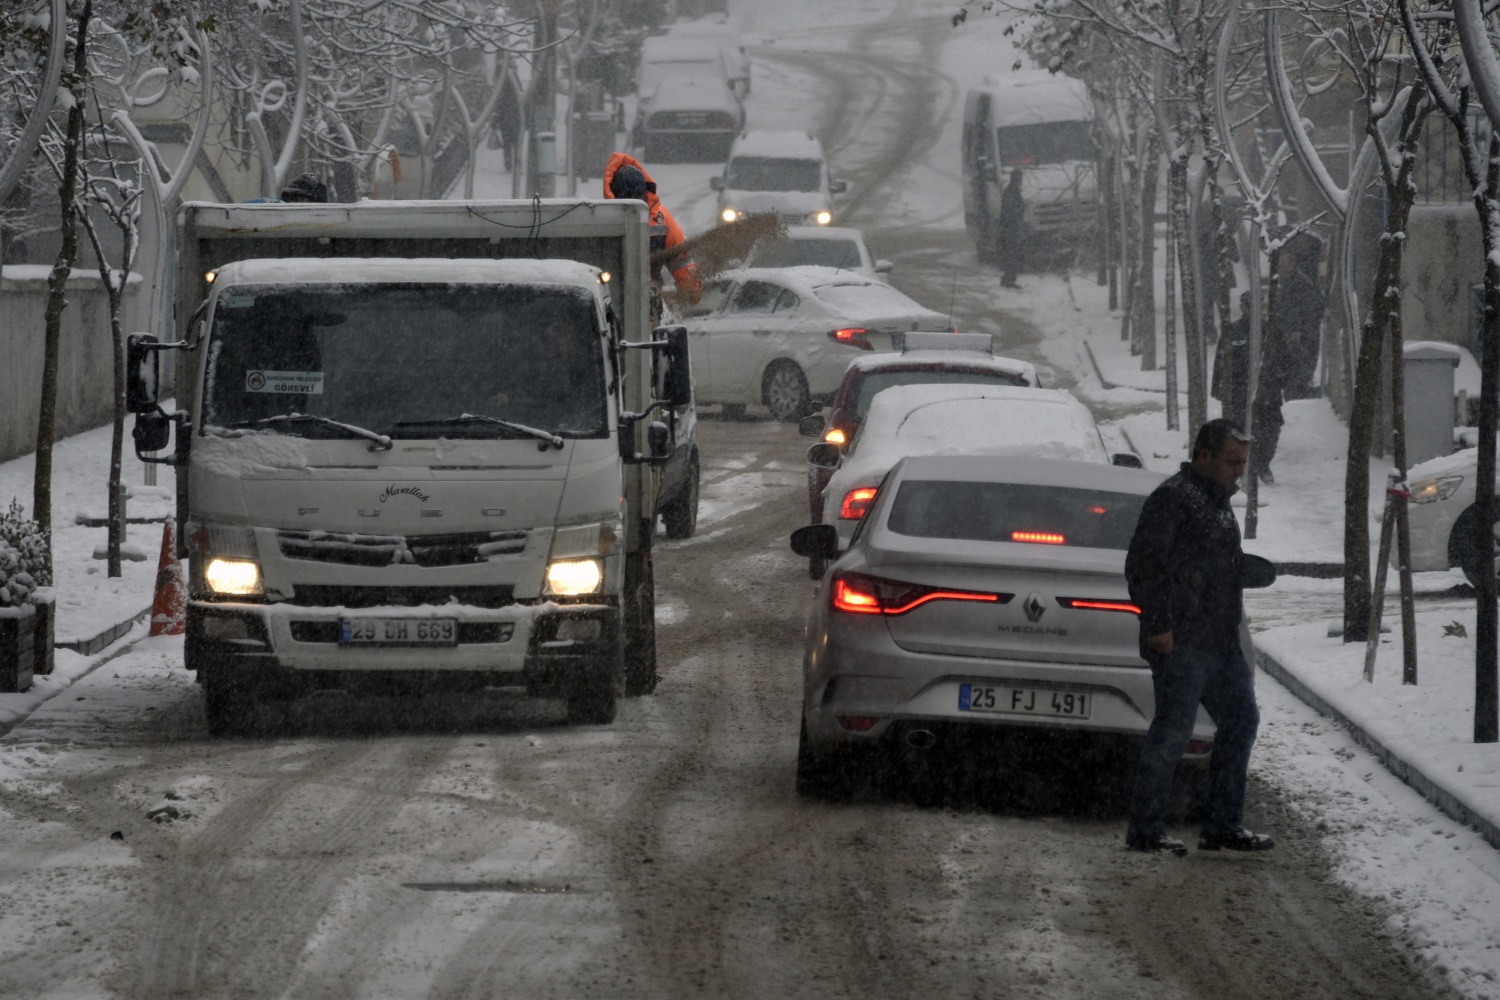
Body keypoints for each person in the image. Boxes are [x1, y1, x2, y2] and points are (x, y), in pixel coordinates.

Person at [1124, 418, 1274, 857]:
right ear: (1204, 456)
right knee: (1173, 731)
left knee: (1241, 720)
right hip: (1182, 641)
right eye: (1232, 462)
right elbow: (1144, 566)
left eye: (1242, 463)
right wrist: (1158, 627)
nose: (1238, 471)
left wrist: (1245, 572)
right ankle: (1145, 831)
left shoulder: (1217, 503)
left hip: (1220, 643)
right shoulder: (1174, 498)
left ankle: (1222, 826)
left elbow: (1215, 566)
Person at [601, 152, 702, 303]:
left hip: (651, 297)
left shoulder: (662, 220)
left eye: (638, 199)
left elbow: (681, 259)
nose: (633, 206)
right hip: (610, 299)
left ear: (645, 194)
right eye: (628, 201)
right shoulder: (601, 220)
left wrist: (691, 289)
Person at [1212, 291, 1252, 429]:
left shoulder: (1268, 331)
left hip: (1262, 387)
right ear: (1242, 307)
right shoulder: (1233, 330)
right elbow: (1220, 359)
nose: (1251, 310)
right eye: (1248, 306)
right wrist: (1216, 386)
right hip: (1238, 386)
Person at [998, 168, 1025, 288]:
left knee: (1012, 255)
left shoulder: (1012, 191)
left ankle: (1009, 279)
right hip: (1010, 229)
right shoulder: (1012, 192)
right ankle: (1008, 280)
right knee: (1012, 255)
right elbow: (1011, 211)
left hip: (1010, 228)